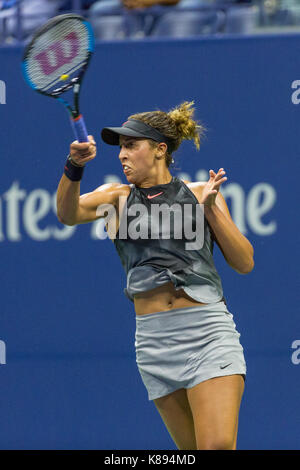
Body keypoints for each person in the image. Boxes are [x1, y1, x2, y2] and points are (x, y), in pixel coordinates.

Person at [56, 101, 254, 450]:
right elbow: (68, 213)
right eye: (120, 147)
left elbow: (244, 262)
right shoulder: (114, 199)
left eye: (132, 145)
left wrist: (211, 211)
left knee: (217, 446)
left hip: (207, 334)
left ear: (160, 149)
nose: (122, 155)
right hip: (154, 344)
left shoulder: (199, 193)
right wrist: (74, 166)